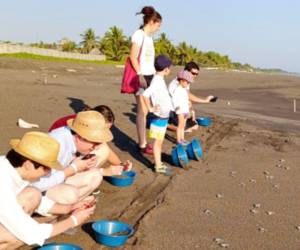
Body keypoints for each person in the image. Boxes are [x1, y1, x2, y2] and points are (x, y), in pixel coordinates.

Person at [0, 131, 95, 249]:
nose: (49, 172)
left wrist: (69, 208)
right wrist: (73, 221)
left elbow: (39, 201)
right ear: (28, 165)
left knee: (33, 194)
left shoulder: (10, 167)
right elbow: (30, 233)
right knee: (16, 236)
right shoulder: (3, 183)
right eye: (46, 168)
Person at [33, 111, 124, 205]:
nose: (96, 147)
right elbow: (35, 185)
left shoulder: (73, 138)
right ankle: (51, 211)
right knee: (70, 195)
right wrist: (73, 168)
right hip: (35, 190)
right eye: (95, 143)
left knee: (96, 175)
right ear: (80, 137)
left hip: (57, 177)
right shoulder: (55, 145)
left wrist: (85, 164)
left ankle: (71, 205)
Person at [48, 105, 132, 170]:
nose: (105, 132)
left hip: (72, 150)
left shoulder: (85, 121)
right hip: (57, 157)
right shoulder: (81, 126)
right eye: (105, 129)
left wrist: (120, 165)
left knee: (102, 148)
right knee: (100, 151)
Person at [129, 6, 162, 155]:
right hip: (140, 76)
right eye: (158, 25)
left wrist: (155, 76)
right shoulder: (139, 34)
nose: (158, 28)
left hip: (150, 75)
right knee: (142, 111)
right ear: (152, 22)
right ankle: (142, 144)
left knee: (150, 109)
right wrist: (140, 75)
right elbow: (133, 56)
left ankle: (146, 142)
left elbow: (148, 60)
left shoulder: (149, 38)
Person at [142, 55, 173, 175]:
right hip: (159, 117)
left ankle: (159, 163)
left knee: (159, 142)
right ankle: (158, 165)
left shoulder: (159, 79)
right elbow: (145, 94)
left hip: (163, 117)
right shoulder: (157, 81)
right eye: (169, 68)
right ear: (165, 69)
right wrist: (150, 108)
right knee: (157, 143)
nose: (170, 70)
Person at [169, 70, 194, 145]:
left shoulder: (184, 89)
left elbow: (185, 98)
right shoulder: (177, 89)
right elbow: (174, 99)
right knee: (180, 125)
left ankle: (182, 139)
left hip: (185, 109)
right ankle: (178, 140)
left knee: (183, 125)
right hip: (180, 110)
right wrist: (177, 107)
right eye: (187, 82)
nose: (188, 84)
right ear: (182, 81)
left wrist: (188, 103)